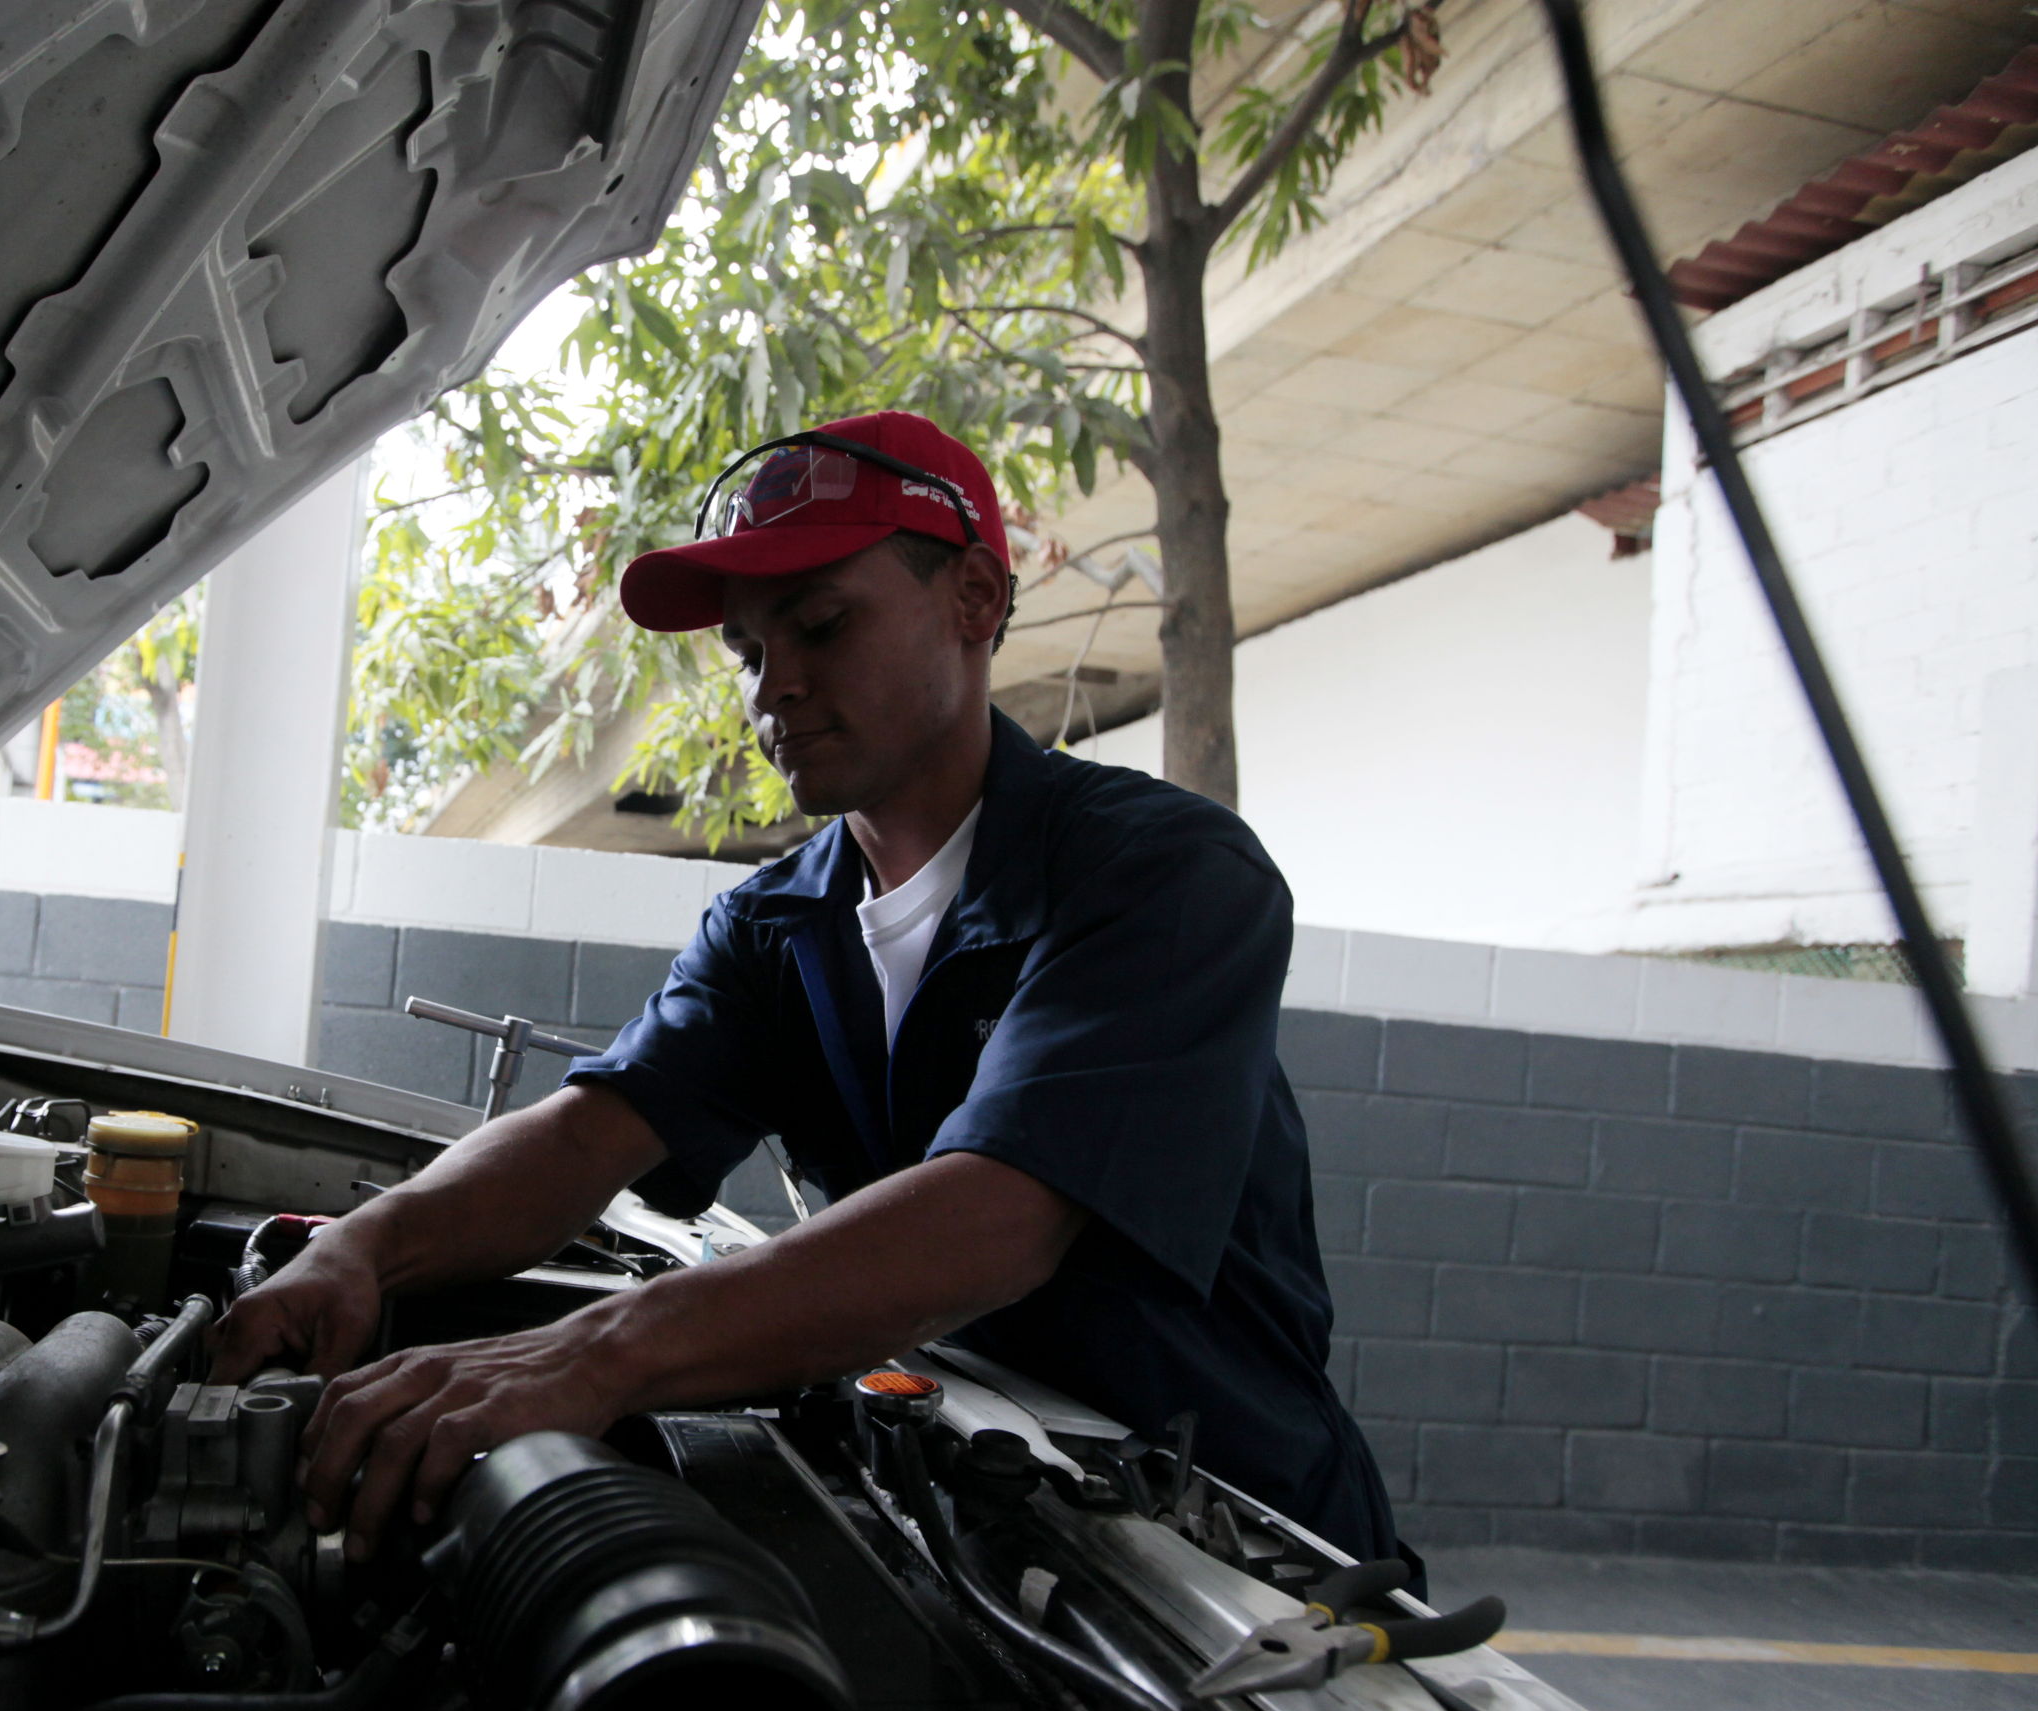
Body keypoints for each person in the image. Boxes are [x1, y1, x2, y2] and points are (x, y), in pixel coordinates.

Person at [210, 409, 1394, 1564]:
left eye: (820, 625)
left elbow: (997, 1218)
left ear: (975, 600)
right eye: (748, 653)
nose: (773, 687)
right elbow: (586, 1134)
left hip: (1238, 1564)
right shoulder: (777, 925)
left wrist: (598, 1352)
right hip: (990, 1523)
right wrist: (363, 1246)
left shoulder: (1161, 874)